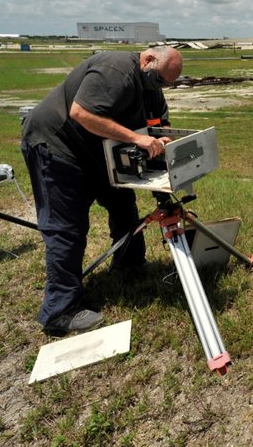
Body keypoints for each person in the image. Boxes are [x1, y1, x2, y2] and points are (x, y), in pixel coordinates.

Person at [21, 45, 183, 335]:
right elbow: (81, 113)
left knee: (123, 204)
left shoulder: (152, 88)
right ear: (147, 60)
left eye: (166, 85)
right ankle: (59, 312)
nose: (161, 87)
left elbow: (159, 124)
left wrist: (165, 139)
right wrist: (137, 138)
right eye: (159, 80)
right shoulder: (116, 69)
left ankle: (129, 266)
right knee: (66, 229)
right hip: (57, 147)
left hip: (98, 152)